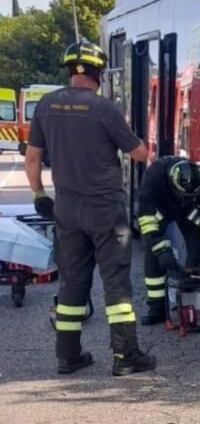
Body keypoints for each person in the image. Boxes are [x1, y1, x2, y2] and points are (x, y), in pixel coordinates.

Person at [25, 41, 156, 376]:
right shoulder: (103, 109)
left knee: (71, 281)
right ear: (98, 72)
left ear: (70, 70)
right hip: (105, 208)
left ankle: (68, 355)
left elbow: (33, 158)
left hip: (67, 206)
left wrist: (40, 193)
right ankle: (126, 355)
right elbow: (139, 154)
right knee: (115, 280)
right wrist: (143, 143)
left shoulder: (45, 105)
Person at [137, 157, 200, 325]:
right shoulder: (154, 175)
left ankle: (191, 294)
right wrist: (162, 251)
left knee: (197, 241)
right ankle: (157, 309)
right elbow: (146, 217)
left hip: (186, 210)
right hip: (158, 212)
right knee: (152, 253)